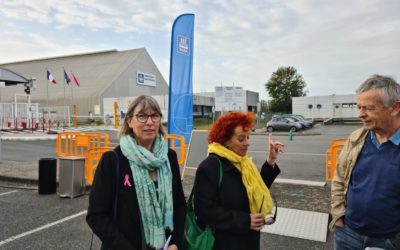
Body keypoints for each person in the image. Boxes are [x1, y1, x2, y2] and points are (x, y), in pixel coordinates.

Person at [87, 95, 186, 250]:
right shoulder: (113, 161)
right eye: (142, 116)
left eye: (154, 116)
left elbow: (179, 205)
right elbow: (96, 216)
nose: (149, 122)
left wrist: (176, 242)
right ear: (129, 121)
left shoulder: (169, 157)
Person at [193, 111, 284, 250]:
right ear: (225, 140)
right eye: (241, 139)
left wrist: (271, 160)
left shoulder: (243, 163)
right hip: (224, 243)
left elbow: (256, 190)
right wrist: (245, 221)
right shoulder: (210, 167)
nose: (247, 143)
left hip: (249, 240)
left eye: (248, 137)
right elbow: (204, 210)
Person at [331, 75, 400, 250]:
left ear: (395, 108)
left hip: (388, 241)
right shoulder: (356, 138)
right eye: (359, 107)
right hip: (347, 233)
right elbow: (339, 179)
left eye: (369, 108)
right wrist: (338, 216)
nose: (361, 114)